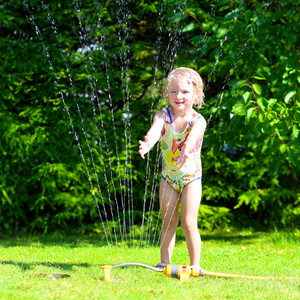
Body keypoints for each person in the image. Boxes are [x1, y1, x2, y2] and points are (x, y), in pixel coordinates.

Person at [139, 67, 206, 270]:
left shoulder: (198, 120)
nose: (179, 96)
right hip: (168, 177)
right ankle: (164, 263)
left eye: (185, 92)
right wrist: (147, 144)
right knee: (168, 222)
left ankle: (195, 266)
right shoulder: (163, 115)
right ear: (167, 93)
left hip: (191, 178)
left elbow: (194, 136)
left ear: (196, 94)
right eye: (174, 91)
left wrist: (187, 145)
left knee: (188, 222)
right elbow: (154, 131)